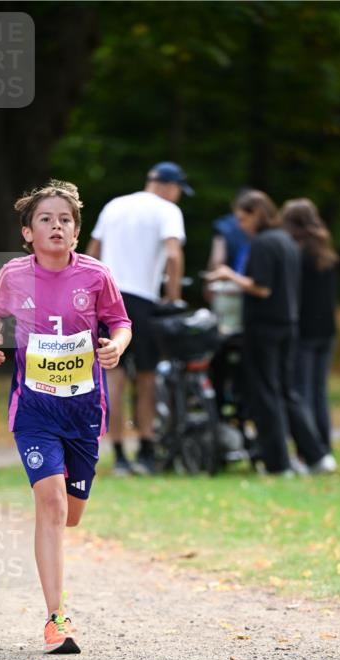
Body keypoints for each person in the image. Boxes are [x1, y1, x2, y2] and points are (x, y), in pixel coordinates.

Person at [0, 180, 132, 654]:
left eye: (65, 219)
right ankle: (56, 620)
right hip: (35, 410)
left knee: (70, 515)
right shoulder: (14, 275)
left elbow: (121, 322)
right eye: (46, 219)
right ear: (28, 232)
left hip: (84, 410)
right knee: (51, 505)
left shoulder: (96, 275)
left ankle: (53, 531)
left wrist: (115, 346)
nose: (57, 226)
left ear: (76, 232)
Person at [207, 190, 333, 476]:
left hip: (264, 327)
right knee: (288, 392)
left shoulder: (263, 243)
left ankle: (278, 463)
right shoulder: (286, 241)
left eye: (243, 218)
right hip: (289, 325)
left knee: (266, 394)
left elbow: (262, 288)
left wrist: (230, 276)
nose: (241, 226)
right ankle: (317, 455)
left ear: (256, 214)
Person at [86, 162, 192, 475]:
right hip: (141, 301)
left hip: (106, 299)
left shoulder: (114, 205)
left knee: (113, 378)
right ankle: (146, 449)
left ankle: (119, 454)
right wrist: (173, 296)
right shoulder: (167, 210)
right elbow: (173, 254)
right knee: (146, 376)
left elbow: (92, 253)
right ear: (170, 186)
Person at [281, 198, 339, 471]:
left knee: (301, 392)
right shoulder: (325, 252)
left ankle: (309, 450)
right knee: (319, 392)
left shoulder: (297, 253)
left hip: (304, 330)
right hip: (327, 329)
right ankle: (324, 446)